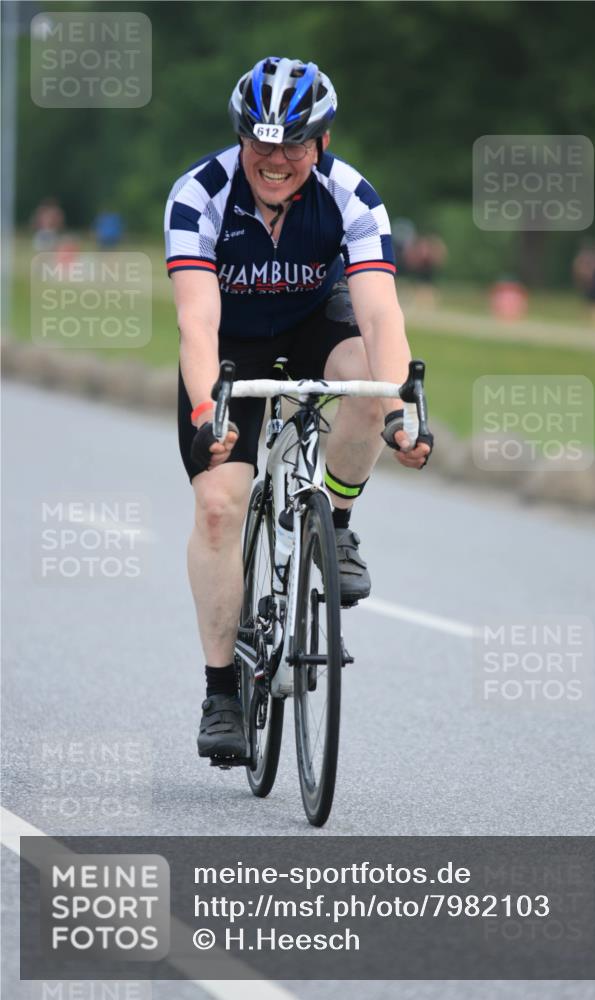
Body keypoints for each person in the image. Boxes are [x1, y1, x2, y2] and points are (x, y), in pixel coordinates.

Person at [164, 57, 432, 760]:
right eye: (259, 142)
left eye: (292, 144)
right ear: (240, 137)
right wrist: (206, 415)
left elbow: (380, 315)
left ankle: (336, 524)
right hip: (230, 349)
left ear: (321, 141)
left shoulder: (352, 196)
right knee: (220, 506)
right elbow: (195, 321)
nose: (274, 160)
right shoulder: (200, 194)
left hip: (319, 328)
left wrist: (402, 408)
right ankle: (222, 691)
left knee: (369, 390)